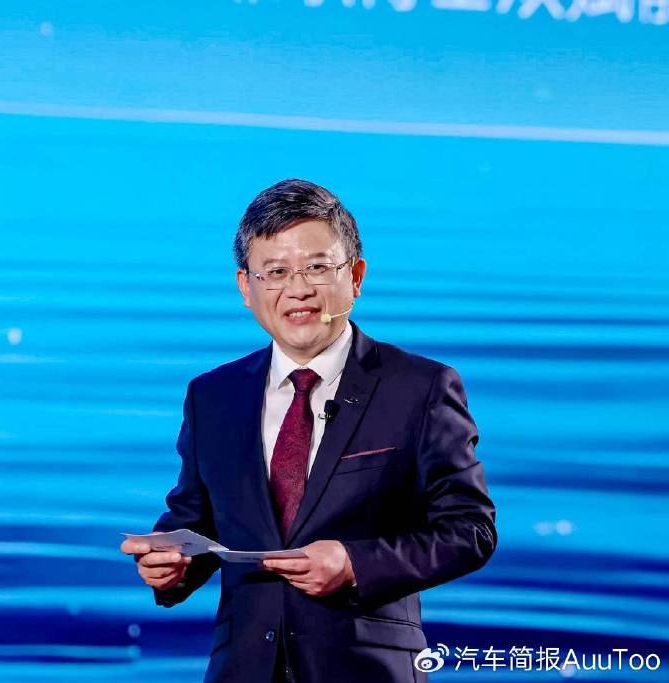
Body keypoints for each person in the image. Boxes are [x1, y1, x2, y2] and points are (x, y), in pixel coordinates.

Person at [119, 179, 498, 682]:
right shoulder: (213, 396)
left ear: (355, 276)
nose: (297, 289)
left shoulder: (420, 388)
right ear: (246, 288)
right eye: (276, 272)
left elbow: (470, 531)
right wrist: (171, 561)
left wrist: (355, 563)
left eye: (317, 268)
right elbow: (198, 520)